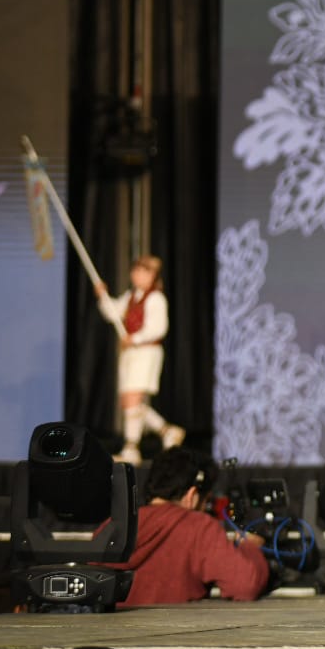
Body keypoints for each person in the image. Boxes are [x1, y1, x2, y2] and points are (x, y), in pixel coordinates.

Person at [101, 448, 270, 608]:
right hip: (173, 635)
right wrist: (249, 547)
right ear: (193, 496)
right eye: (207, 501)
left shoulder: (110, 526)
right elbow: (245, 585)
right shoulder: (198, 527)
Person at [95, 255, 182, 465]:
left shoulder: (156, 299)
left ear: (152, 275)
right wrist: (103, 296)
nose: (137, 275)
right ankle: (166, 430)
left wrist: (134, 338)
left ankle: (131, 447)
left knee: (132, 398)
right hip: (131, 354)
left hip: (145, 352)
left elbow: (158, 328)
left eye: (142, 271)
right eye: (136, 270)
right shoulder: (131, 296)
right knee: (130, 401)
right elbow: (113, 313)